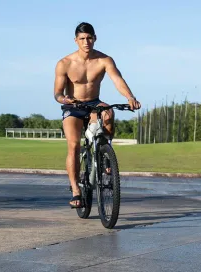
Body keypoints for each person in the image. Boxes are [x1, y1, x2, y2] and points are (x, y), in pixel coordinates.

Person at [54, 22, 141, 208]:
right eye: (82, 39)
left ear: (95, 38)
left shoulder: (104, 60)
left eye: (90, 38)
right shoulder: (64, 63)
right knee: (74, 145)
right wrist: (65, 100)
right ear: (76, 40)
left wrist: (130, 97)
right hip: (74, 106)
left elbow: (117, 79)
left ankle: (105, 153)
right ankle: (76, 190)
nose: (86, 42)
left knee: (108, 112)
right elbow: (57, 94)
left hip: (94, 103)